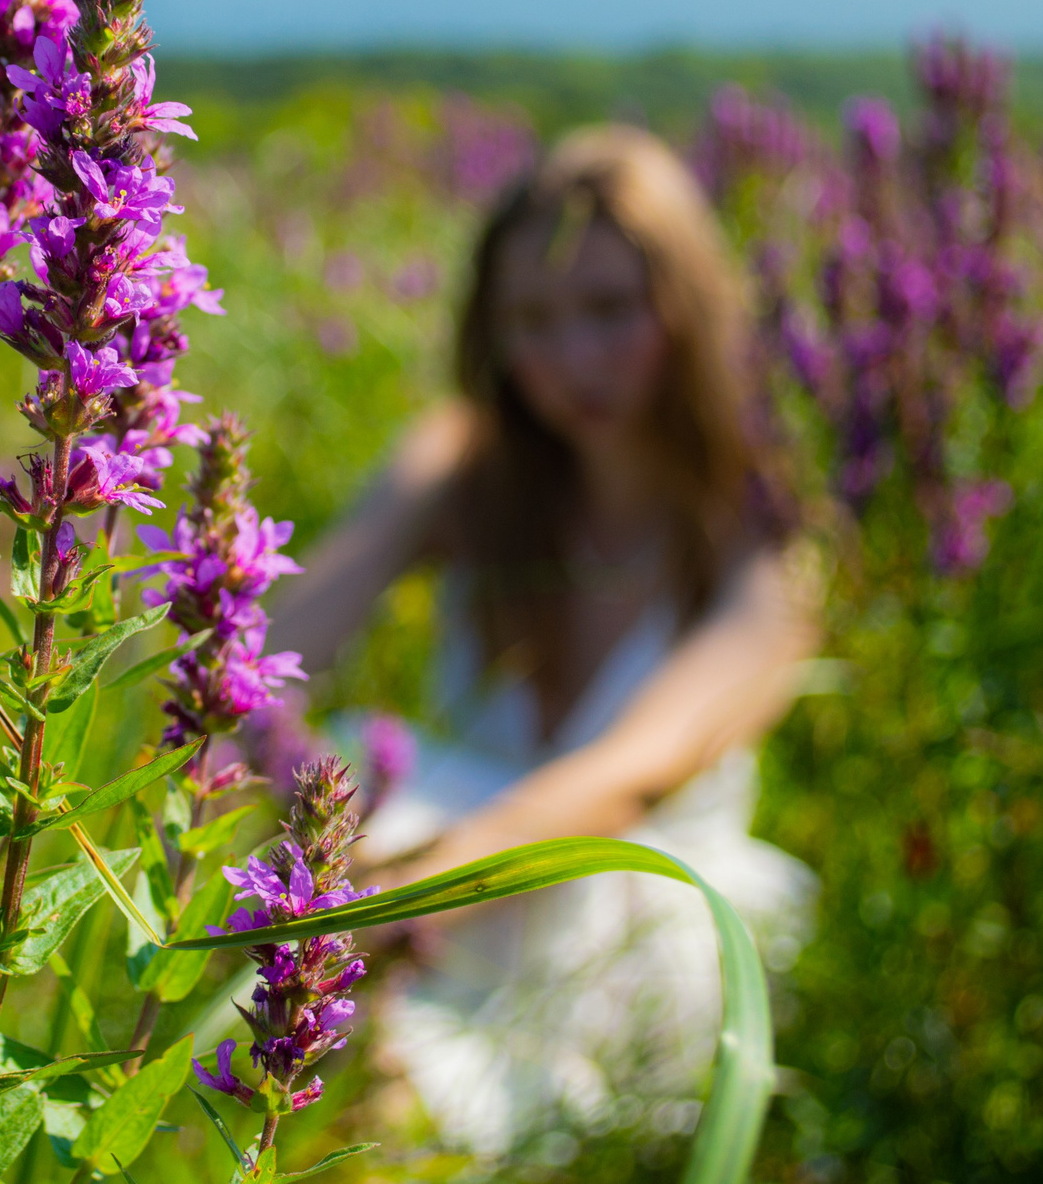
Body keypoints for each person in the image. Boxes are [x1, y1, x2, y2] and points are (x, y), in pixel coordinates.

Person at [269, 123, 820, 1158]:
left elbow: (633, 775)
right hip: (438, 892)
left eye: (610, 309)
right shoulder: (461, 466)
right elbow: (267, 651)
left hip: (626, 913)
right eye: (531, 320)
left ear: (687, 307)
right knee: (341, 763)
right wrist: (242, 779)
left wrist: (400, 897)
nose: (570, 360)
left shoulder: (759, 544)